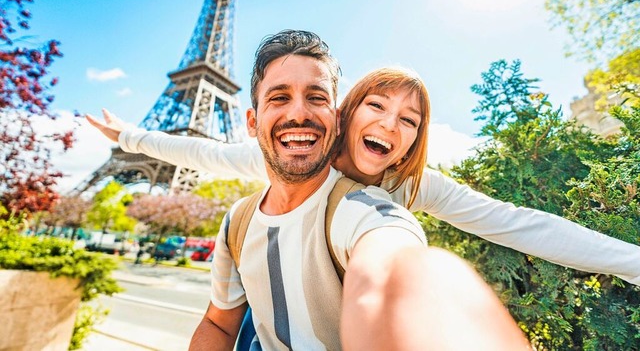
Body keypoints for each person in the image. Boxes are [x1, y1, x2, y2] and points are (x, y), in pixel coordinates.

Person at [89, 30, 530, 350]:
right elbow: (219, 324)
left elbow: (395, 263)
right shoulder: (238, 222)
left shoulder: (366, 209)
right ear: (250, 122)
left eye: (316, 97)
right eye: (279, 97)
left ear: (336, 118)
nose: (298, 113)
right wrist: (129, 137)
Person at [89, 68, 640, 287]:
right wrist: (129, 139)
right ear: (348, 112)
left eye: (409, 119)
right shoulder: (297, 154)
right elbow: (202, 152)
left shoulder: (413, 184)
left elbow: (521, 226)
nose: (389, 125)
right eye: (376, 106)